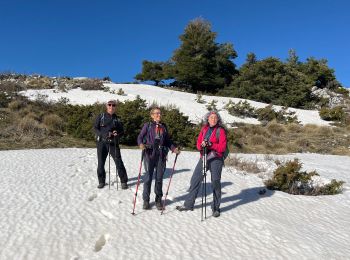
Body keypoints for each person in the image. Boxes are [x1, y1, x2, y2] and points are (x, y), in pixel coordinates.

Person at [176, 111, 227, 218]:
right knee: (195, 179)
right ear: (207, 119)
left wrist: (211, 144)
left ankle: (215, 208)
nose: (213, 119)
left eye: (215, 118)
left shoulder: (220, 130)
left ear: (218, 119)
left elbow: (222, 147)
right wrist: (202, 145)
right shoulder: (204, 129)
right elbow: (198, 144)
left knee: (215, 182)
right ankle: (189, 204)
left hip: (216, 158)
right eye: (211, 117)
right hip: (204, 157)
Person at [137, 107, 180, 210]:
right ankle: (146, 201)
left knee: (159, 178)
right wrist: (141, 144)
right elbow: (140, 137)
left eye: (160, 113)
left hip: (161, 155)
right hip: (149, 154)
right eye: (156, 113)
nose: (159, 115)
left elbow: (168, 141)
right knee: (148, 178)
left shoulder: (164, 127)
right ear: (152, 115)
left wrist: (173, 149)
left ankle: (158, 200)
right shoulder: (148, 126)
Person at [94, 99, 128, 189]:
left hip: (113, 143)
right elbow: (95, 128)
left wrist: (117, 133)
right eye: (109, 105)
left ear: (115, 107)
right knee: (101, 163)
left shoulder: (118, 118)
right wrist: (104, 134)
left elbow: (122, 131)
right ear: (106, 106)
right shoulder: (100, 116)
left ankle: (124, 181)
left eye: (113, 105)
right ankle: (101, 181)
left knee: (119, 162)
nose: (111, 107)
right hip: (101, 143)